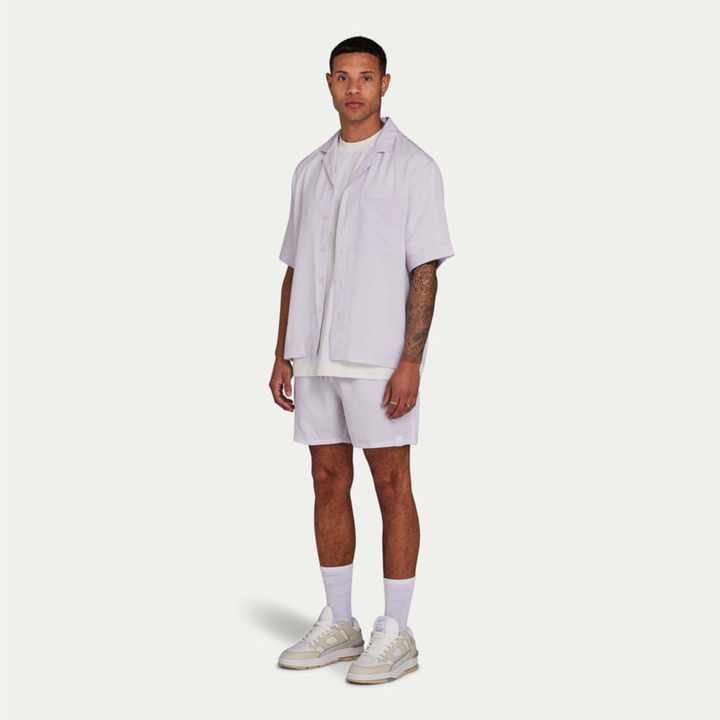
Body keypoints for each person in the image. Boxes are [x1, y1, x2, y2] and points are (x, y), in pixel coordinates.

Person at [269, 35, 455, 684]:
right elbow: (295, 268)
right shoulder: (309, 170)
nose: (354, 88)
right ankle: (340, 621)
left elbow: (425, 268)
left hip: (378, 358)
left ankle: (396, 631)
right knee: (326, 479)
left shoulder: (413, 167)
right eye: (343, 77)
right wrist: (282, 353)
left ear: (385, 84)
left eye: (366, 77)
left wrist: (412, 361)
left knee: (391, 484)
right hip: (315, 356)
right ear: (329, 84)